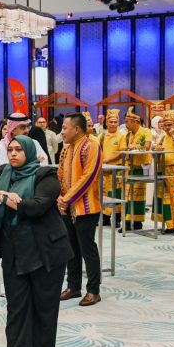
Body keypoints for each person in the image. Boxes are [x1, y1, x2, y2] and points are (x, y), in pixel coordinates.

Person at [0, 135, 73, 347]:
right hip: (14, 248)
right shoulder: (4, 172)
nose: (13, 154)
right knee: (16, 305)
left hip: (46, 250)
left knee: (44, 304)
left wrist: (3, 197)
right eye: (10, 149)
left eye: (19, 150)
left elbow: (36, 206)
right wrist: (2, 193)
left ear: (29, 152)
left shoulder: (46, 175)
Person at [57, 113, 103, 307]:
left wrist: (66, 199)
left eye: (64, 128)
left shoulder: (91, 145)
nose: (62, 132)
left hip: (86, 207)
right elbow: (60, 175)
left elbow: (89, 176)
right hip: (67, 207)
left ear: (76, 129)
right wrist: (60, 198)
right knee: (71, 248)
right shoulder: (66, 149)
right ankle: (73, 286)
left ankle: (93, 290)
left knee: (87, 249)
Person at [122, 107, 152, 231]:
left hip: (142, 167)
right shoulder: (128, 135)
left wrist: (133, 146)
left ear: (135, 122)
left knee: (138, 195)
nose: (125, 124)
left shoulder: (146, 131)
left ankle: (137, 221)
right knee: (128, 194)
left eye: (127, 122)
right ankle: (128, 221)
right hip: (130, 166)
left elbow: (147, 146)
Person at [100, 109, 126, 227]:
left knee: (117, 194)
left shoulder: (121, 136)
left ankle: (117, 219)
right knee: (105, 193)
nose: (113, 124)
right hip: (104, 170)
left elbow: (122, 152)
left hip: (117, 170)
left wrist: (108, 160)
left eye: (115, 122)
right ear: (106, 123)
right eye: (111, 122)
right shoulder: (102, 136)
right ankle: (105, 218)